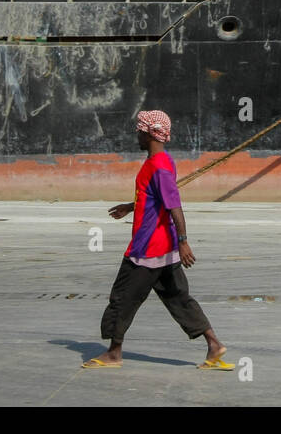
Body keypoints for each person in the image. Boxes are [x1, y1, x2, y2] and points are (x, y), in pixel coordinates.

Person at [82, 110, 233, 370]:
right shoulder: (164, 161)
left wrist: (184, 241)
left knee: (122, 298)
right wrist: (131, 206)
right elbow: (157, 198)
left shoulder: (159, 167)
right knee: (178, 298)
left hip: (147, 249)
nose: (136, 134)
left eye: (139, 130)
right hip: (166, 250)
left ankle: (114, 353)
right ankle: (214, 345)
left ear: (149, 133)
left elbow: (174, 205)